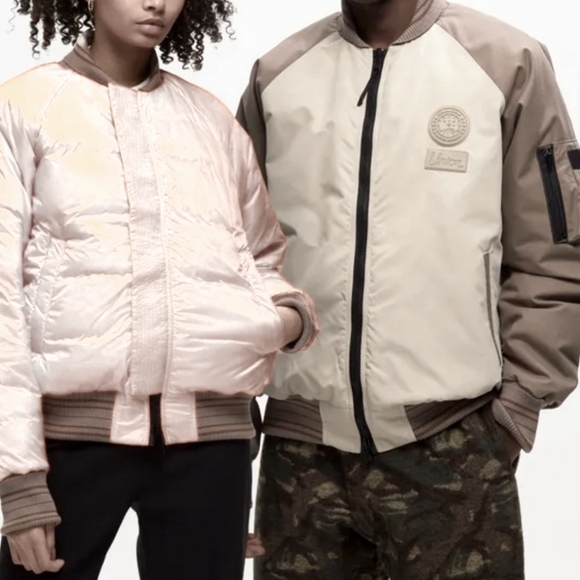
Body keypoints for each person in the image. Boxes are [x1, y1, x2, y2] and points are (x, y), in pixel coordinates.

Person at [237, 0, 580, 578]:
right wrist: (232, 414)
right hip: (301, 449)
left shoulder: (507, 62)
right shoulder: (278, 73)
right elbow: (233, 257)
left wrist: (521, 402)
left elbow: (556, 243)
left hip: (454, 439)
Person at [0, 0, 319, 578]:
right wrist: (18, 481)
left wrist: (284, 315)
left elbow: (259, 257)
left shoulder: (211, 120)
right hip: (69, 445)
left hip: (211, 449)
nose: (158, 4)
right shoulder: (23, 107)